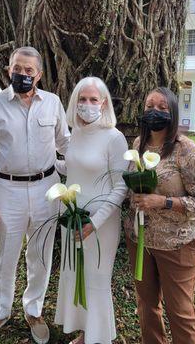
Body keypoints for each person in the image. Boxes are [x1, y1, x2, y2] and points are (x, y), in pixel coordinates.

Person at [0, 46, 71, 344]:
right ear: (8, 70)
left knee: (40, 254)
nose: (23, 74)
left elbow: (65, 143)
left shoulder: (53, 103)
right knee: (6, 255)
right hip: (7, 189)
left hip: (46, 188)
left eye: (29, 70)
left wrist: (91, 166)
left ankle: (34, 310)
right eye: (18, 68)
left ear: (39, 75)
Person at [124, 87, 195, 344]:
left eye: (162, 108)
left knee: (180, 313)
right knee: (147, 307)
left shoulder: (186, 150)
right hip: (140, 241)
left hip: (177, 244)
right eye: (149, 106)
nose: (155, 112)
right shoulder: (139, 145)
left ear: (173, 112)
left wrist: (164, 202)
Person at [54, 77, 128, 344]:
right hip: (73, 219)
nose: (87, 105)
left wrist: (94, 223)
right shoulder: (75, 133)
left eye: (93, 99)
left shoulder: (114, 137)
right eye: (82, 99)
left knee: (96, 281)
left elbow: (120, 187)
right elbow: (73, 167)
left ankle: (98, 338)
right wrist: (44, 160)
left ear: (103, 103)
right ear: (75, 102)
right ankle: (86, 334)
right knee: (76, 277)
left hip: (100, 225)